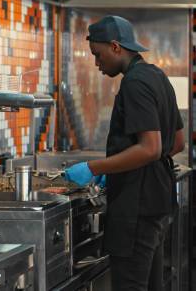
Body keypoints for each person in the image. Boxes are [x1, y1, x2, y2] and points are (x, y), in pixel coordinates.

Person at [63, 15, 185, 291]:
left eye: (98, 54)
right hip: (156, 203)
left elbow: (150, 148)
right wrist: (121, 167)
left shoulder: (134, 83)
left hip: (136, 208)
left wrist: (96, 168)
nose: (96, 63)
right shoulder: (157, 76)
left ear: (116, 46)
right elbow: (176, 143)